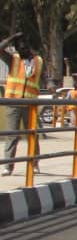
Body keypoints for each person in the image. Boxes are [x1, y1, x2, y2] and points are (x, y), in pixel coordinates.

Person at [1, 33, 44, 176]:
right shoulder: (13, 59)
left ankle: (34, 163)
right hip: (13, 103)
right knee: (12, 135)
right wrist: (11, 38)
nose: (21, 51)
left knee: (33, 135)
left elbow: (42, 78)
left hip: (30, 104)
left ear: (29, 46)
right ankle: (8, 166)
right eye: (18, 48)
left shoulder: (38, 61)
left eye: (23, 48)